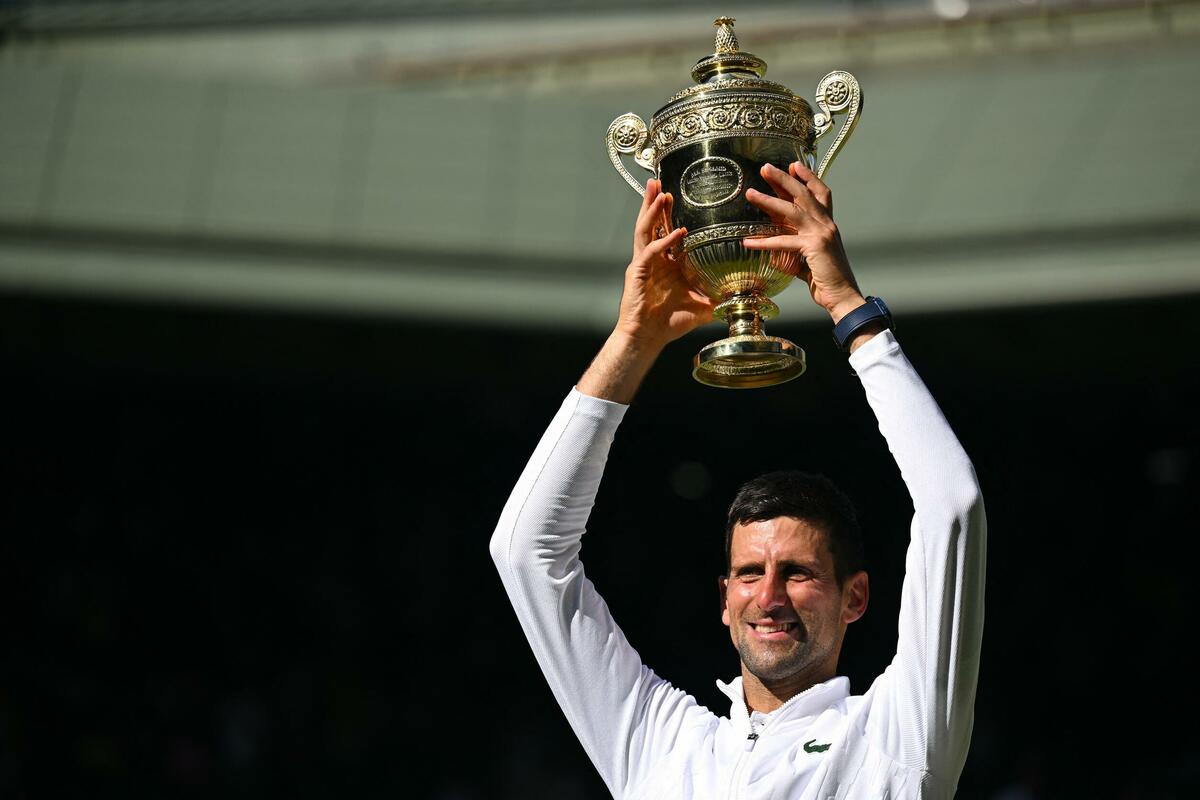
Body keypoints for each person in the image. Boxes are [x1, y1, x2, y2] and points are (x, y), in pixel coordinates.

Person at [489, 162, 986, 799]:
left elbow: (952, 505)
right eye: (750, 573)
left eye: (798, 573)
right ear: (725, 598)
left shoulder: (897, 738)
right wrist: (634, 339)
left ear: (855, 597)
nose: (768, 596)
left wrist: (848, 307)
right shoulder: (660, 742)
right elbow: (524, 551)